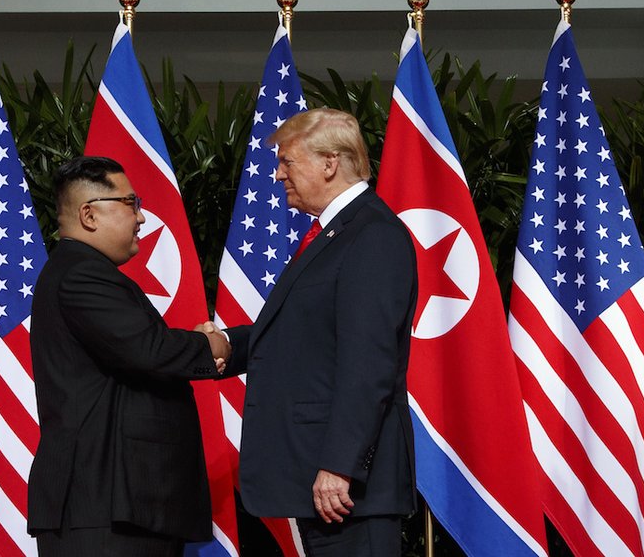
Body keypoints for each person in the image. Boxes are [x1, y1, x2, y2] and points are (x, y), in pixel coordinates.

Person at [210, 108, 418, 556]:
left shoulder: (372, 235)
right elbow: (302, 335)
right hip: (319, 480)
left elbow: (369, 363)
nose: (278, 173)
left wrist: (340, 466)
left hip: (347, 491)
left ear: (330, 163)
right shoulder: (333, 234)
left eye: (287, 161)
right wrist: (228, 343)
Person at [27, 156, 230, 557]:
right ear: (89, 214)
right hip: (105, 507)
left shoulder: (80, 270)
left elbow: (141, 348)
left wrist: (198, 347)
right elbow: (150, 351)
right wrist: (213, 346)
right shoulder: (82, 274)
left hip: (118, 507)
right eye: (130, 203)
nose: (140, 218)